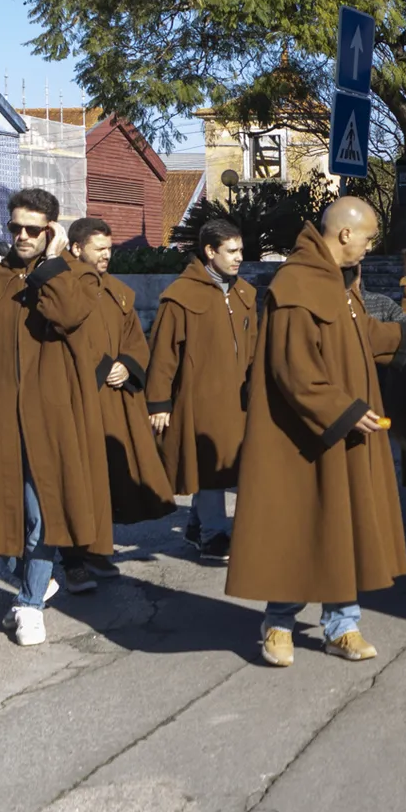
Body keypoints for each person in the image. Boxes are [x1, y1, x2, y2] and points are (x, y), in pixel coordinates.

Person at [226, 197, 406, 667]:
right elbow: (293, 368)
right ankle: (279, 623)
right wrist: (346, 411)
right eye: (368, 238)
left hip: (341, 429)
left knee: (342, 527)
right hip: (304, 436)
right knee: (302, 526)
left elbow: (356, 335)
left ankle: (342, 626)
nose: (370, 248)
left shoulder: (337, 279)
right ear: (345, 234)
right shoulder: (298, 283)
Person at [0, 187, 114, 647]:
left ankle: (31, 603)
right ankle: (29, 585)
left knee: (44, 513)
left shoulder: (76, 278)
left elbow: (65, 315)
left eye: (32, 229)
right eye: (14, 227)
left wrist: (54, 263)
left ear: (50, 230)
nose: (21, 235)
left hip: (51, 417)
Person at [56, 216, 175, 590]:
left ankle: (98, 551)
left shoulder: (118, 291)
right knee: (76, 478)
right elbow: (60, 339)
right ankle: (73, 559)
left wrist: (127, 365)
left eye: (110, 249)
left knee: (104, 475)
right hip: (76, 398)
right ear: (76, 248)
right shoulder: (63, 288)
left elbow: (135, 339)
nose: (107, 256)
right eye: (99, 249)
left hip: (112, 400)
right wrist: (103, 366)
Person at [147, 218, 257, 559]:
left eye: (241, 250)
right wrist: (158, 403)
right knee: (208, 463)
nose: (239, 257)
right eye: (232, 251)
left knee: (225, 463)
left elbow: (254, 343)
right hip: (199, 398)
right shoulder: (180, 297)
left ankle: (196, 525)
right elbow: (163, 354)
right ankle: (213, 534)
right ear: (210, 252)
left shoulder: (245, 294)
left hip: (238, 397)